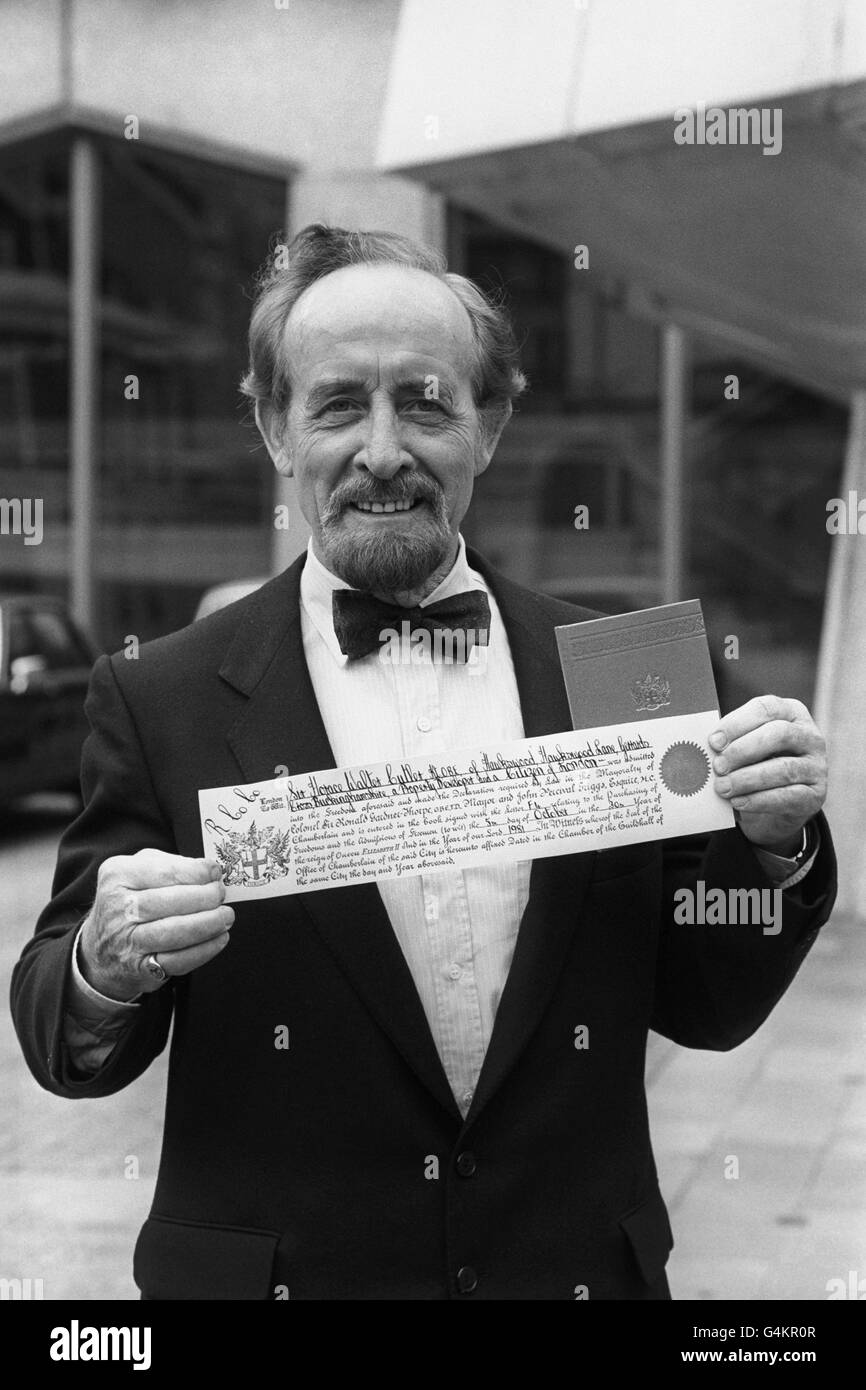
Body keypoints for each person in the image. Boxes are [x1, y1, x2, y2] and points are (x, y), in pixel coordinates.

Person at [11, 225, 835, 1300]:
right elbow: (62, 1029)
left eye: (428, 402)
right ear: (273, 427)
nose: (384, 450)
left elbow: (705, 1001)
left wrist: (773, 849)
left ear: (487, 427)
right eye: (339, 403)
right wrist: (100, 968)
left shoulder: (626, 673)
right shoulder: (157, 694)